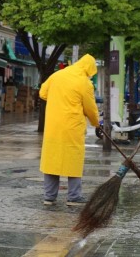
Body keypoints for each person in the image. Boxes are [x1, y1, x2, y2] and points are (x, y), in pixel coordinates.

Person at [39, 54, 100, 206]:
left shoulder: (56, 75)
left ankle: (49, 196)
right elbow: (90, 108)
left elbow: (42, 93)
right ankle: (74, 196)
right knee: (73, 160)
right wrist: (96, 123)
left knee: (52, 159)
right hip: (72, 127)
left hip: (53, 126)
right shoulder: (84, 83)